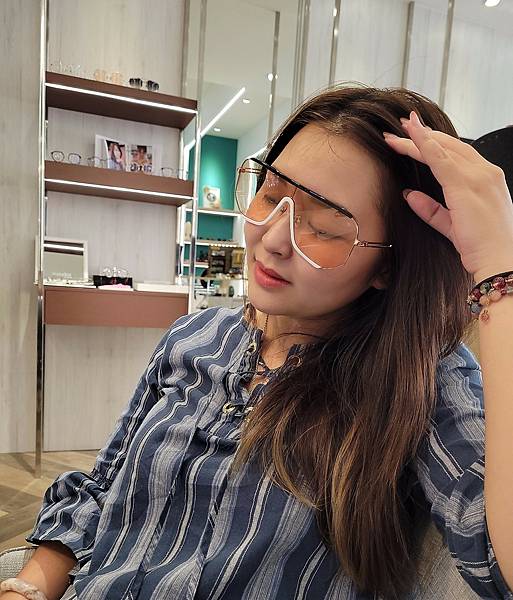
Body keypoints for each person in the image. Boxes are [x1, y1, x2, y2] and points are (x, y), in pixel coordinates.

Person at [4, 85, 513, 600]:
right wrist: (26, 588)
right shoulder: (194, 336)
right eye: (270, 195)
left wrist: (498, 267)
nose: (270, 238)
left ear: (388, 264)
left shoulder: (419, 379)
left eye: (323, 227)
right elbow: (100, 490)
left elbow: (499, 564)